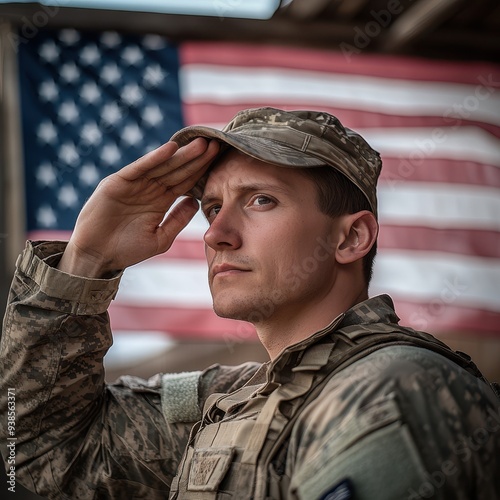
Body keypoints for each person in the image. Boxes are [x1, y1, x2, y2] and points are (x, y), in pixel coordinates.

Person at [1, 107, 499, 500]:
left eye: (261, 200)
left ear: (351, 238)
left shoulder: (390, 390)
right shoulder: (238, 397)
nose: (216, 233)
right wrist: (85, 259)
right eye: (214, 207)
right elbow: (39, 448)